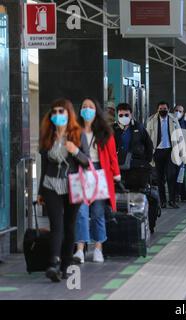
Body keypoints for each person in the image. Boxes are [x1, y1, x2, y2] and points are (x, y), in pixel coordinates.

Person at [37, 98, 90, 282]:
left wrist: (75, 150)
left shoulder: (78, 134)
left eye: (62, 111)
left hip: (73, 185)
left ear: (69, 114)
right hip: (51, 185)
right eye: (55, 112)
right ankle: (53, 263)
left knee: (69, 225)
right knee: (56, 225)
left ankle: (66, 264)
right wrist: (40, 191)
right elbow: (44, 165)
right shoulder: (48, 135)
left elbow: (87, 162)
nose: (58, 115)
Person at [73, 98, 121, 264]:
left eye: (90, 107)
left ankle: (98, 248)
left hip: (100, 174)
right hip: (80, 174)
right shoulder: (75, 131)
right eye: (84, 106)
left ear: (96, 110)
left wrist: (116, 174)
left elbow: (112, 155)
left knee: (98, 213)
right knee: (80, 213)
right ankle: (80, 249)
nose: (87, 109)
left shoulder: (104, 132)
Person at [146, 101, 186, 209]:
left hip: (170, 151)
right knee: (159, 178)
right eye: (161, 109)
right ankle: (162, 201)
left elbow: (180, 136)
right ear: (157, 110)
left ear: (168, 110)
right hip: (157, 152)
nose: (162, 110)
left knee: (171, 176)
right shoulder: (151, 121)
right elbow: (148, 138)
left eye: (164, 109)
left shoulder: (173, 120)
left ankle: (172, 200)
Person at [113, 103, 153, 190]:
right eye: (121, 115)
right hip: (118, 165)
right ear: (117, 115)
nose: (124, 117)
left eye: (126, 115)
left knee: (135, 190)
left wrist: (147, 160)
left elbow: (148, 144)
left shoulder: (138, 127)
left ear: (131, 114)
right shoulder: (113, 129)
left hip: (136, 165)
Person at [173, 104, 186, 201]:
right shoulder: (170, 122)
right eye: (176, 110)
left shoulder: (185, 123)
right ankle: (173, 194)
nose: (178, 112)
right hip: (171, 153)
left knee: (180, 175)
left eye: (180, 111)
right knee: (171, 174)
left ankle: (177, 194)